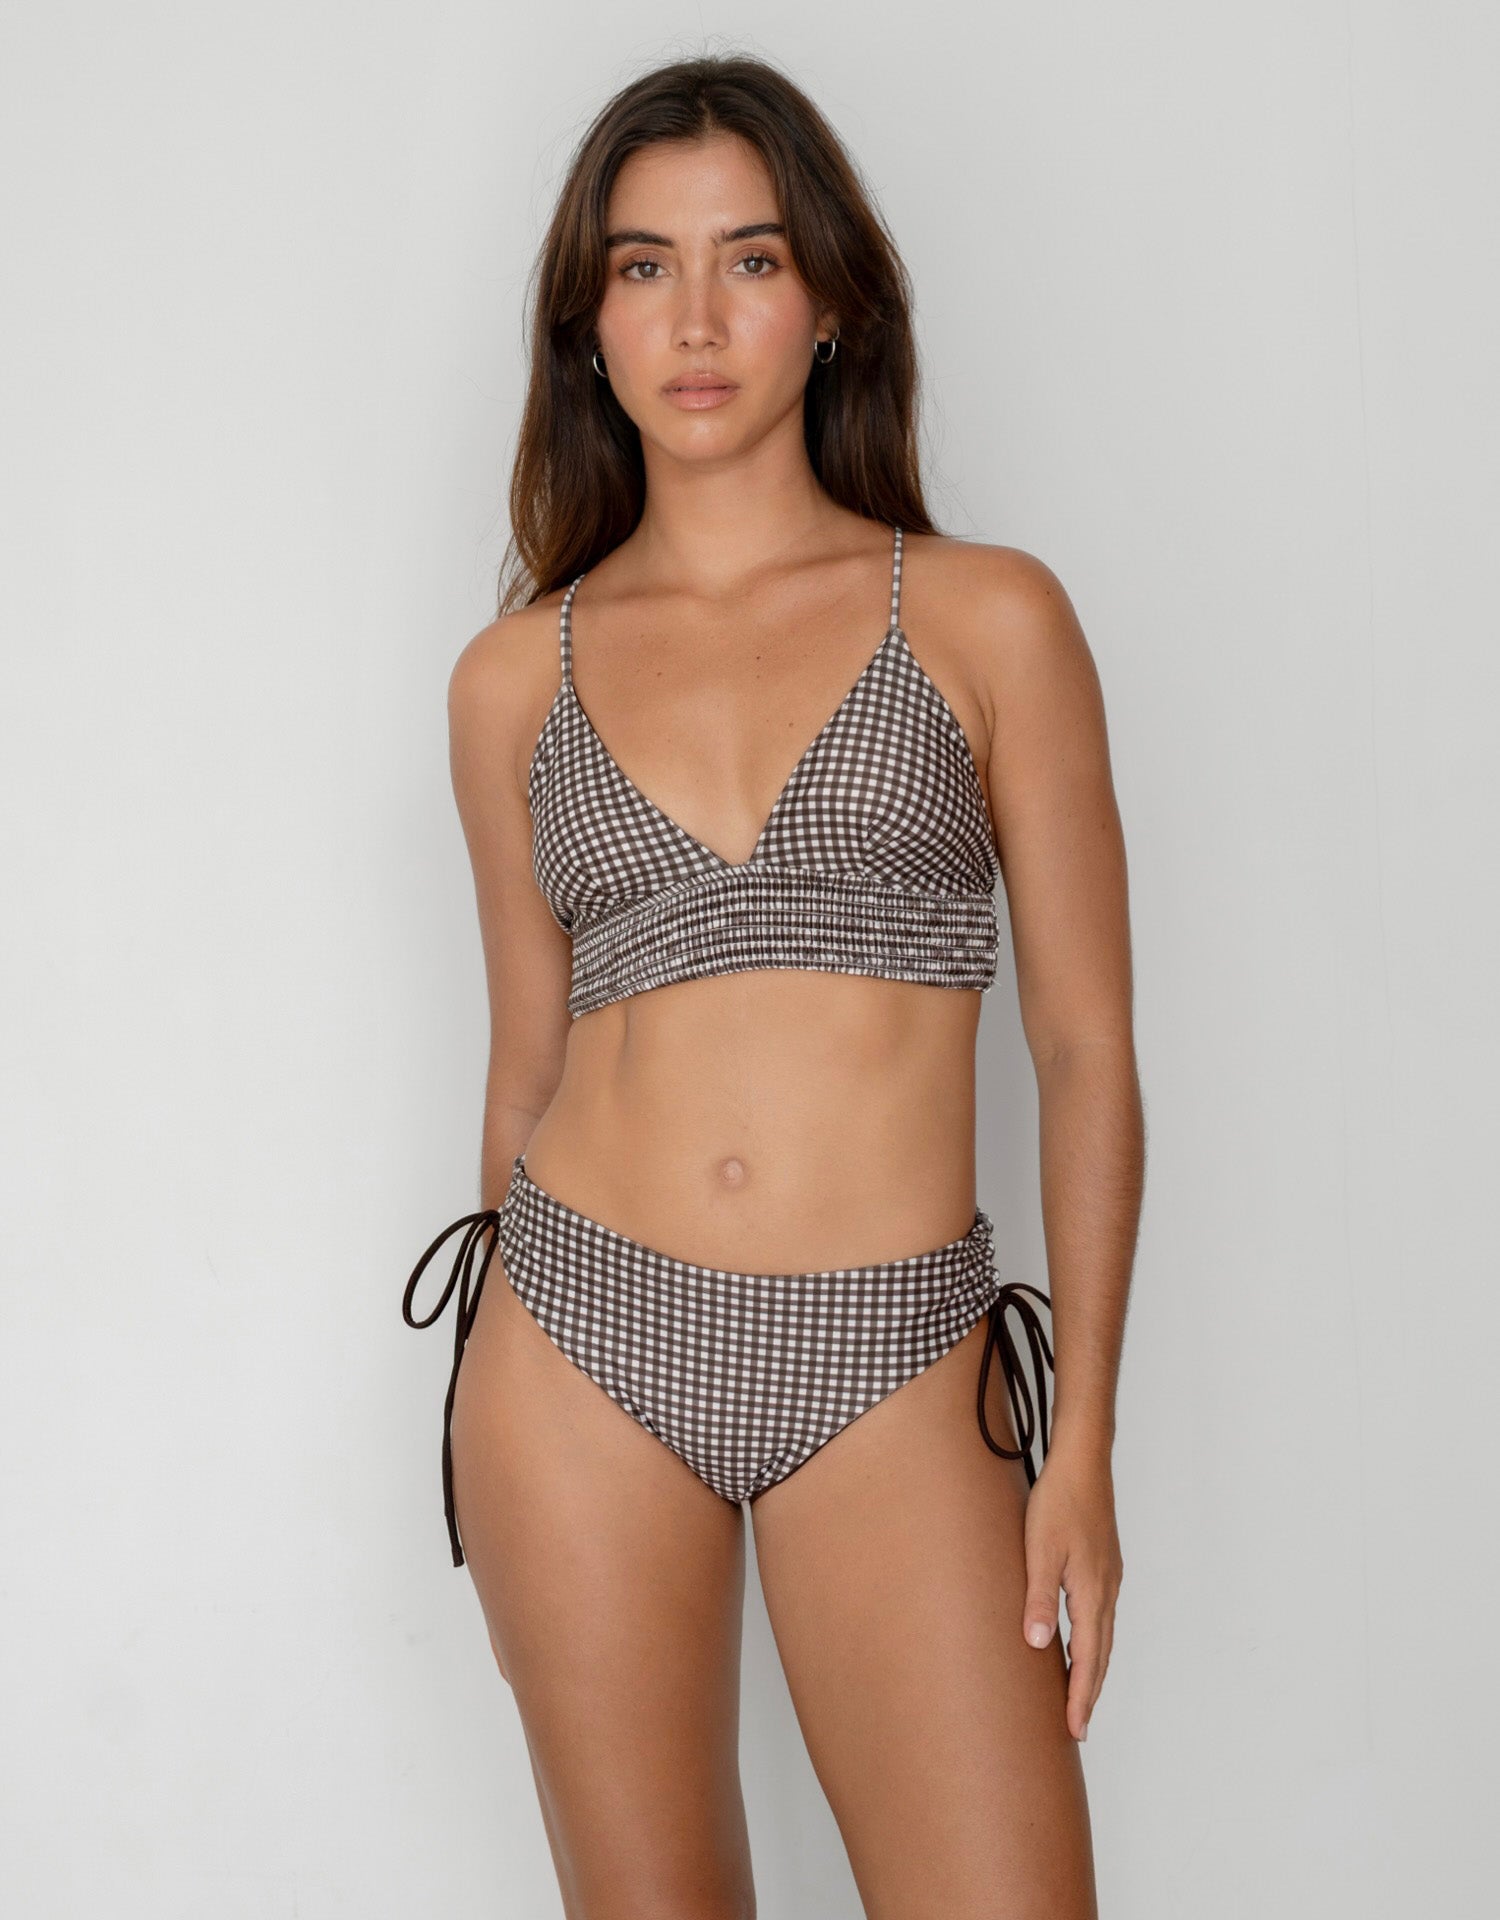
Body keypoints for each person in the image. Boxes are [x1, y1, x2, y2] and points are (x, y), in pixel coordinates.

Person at [402, 50, 1140, 1920]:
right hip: (579, 1344)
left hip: (896, 1352)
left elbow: (1083, 1049)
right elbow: (525, 1065)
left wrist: (1084, 1450)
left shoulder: (988, 617)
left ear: (831, 302)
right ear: (586, 328)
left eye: (750, 258)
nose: (697, 319)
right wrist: (489, 1388)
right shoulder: (513, 680)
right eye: (642, 268)